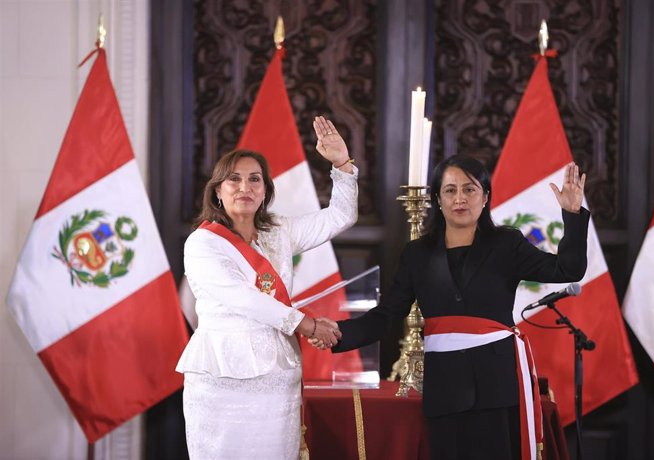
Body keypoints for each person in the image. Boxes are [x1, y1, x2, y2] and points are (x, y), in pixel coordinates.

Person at [319, 154, 589, 459]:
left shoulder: (506, 244)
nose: (459, 198)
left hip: (497, 385)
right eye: (449, 190)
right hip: (445, 388)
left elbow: (567, 271)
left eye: (469, 189)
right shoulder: (417, 253)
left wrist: (573, 215)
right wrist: (338, 332)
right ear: (437, 198)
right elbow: (388, 315)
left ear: (485, 197)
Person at [176, 116, 355, 459]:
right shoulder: (202, 243)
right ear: (217, 190)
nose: (245, 187)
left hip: (277, 375)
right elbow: (241, 298)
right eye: (234, 180)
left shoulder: (279, 233)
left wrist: (341, 165)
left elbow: (340, 218)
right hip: (221, 376)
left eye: (254, 180)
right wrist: (305, 323)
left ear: (265, 191)